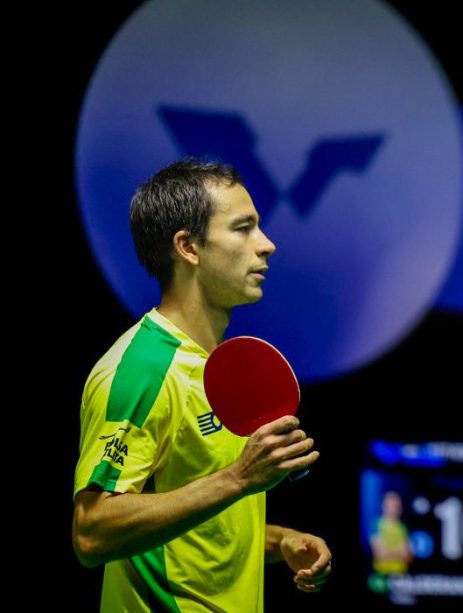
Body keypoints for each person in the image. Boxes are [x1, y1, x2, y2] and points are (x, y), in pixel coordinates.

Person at [72, 158, 332, 611]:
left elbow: (196, 523)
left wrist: (280, 541)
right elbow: (92, 532)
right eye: (243, 228)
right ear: (188, 247)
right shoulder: (142, 370)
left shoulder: (218, 366)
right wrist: (239, 478)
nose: (267, 245)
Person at [370, 491, 413, 574]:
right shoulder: (377, 525)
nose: (395, 508)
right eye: (391, 505)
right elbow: (380, 554)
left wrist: (390, 552)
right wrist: (399, 553)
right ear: (384, 506)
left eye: (397, 505)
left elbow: (408, 556)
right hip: (382, 575)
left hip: (401, 575)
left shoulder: (403, 527)